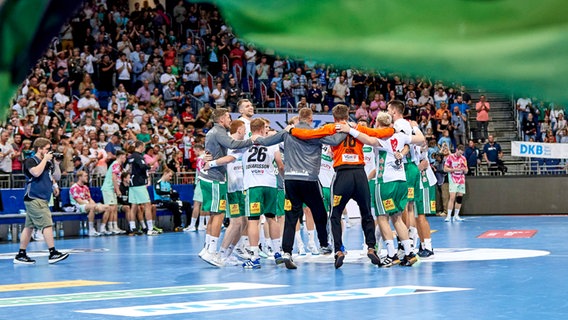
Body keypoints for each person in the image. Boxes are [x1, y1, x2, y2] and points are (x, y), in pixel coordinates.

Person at [287, 104, 394, 269]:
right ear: (348, 115)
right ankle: (371, 247)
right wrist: (395, 130)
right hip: (360, 174)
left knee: (335, 215)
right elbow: (380, 133)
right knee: (366, 213)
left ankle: (338, 250)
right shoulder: (357, 127)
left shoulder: (332, 128)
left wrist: (292, 130)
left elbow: (309, 134)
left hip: (342, 174)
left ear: (334, 117)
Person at [255, 108, 346, 269]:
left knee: (291, 217)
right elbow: (335, 141)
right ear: (311, 119)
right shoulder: (317, 133)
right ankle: (324, 244)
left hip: (290, 180)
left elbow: (266, 142)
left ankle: (287, 252)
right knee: (319, 213)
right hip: (309, 179)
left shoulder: (287, 132)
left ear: (298, 118)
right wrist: (349, 129)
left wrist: (253, 137)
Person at [336, 112, 423, 267]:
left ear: (377, 124)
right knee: (397, 217)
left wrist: (349, 129)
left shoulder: (381, 138)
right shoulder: (401, 136)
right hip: (401, 181)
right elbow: (420, 140)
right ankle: (410, 253)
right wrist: (414, 129)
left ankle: (391, 254)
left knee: (382, 218)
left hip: (385, 183)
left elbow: (367, 139)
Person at [198, 108, 256, 266]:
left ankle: (208, 249)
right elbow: (231, 145)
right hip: (216, 178)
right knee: (219, 215)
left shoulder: (213, 132)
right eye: (228, 117)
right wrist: (252, 141)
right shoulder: (219, 132)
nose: (230, 120)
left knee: (214, 214)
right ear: (222, 119)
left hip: (211, 177)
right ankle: (212, 252)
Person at [14, 138, 69, 265]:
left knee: (29, 227)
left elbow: (56, 177)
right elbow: (36, 173)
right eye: (47, 149)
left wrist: (56, 164)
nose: (49, 151)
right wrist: (45, 159)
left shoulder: (48, 162)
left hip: (42, 198)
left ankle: (21, 254)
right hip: (34, 197)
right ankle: (53, 252)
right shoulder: (30, 161)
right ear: (39, 149)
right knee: (47, 224)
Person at [239, 118, 284, 269]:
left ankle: (254, 257)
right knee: (272, 218)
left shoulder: (245, 143)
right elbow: (280, 164)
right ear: (263, 128)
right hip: (270, 184)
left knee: (253, 220)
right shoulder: (272, 142)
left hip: (254, 186)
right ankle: (278, 253)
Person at [127, 140, 159, 235]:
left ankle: (132, 228)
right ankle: (150, 229)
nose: (144, 148)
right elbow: (142, 167)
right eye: (143, 146)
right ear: (140, 146)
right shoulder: (138, 156)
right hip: (139, 183)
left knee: (134, 205)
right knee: (147, 204)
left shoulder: (131, 156)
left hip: (132, 184)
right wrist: (151, 165)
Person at [70, 171, 112, 235]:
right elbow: (79, 201)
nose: (87, 177)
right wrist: (93, 205)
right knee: (93, 207)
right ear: (80, 177)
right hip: (78, 206)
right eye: (85, 176)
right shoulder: (74, 187)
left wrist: (95, 205)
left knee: (108, 207)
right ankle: (91, 230)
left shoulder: (86, 187)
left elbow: (90, 199)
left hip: (88, 205)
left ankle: (102, 228)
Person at [100, 150, 128, 234]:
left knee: (114, 208)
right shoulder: (116, 164)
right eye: (124, 157)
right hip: (108, 188)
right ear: (121, 157)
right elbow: (114, 178)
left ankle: (114, 227)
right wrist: (118, 189)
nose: (125, 158)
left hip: (112, 189)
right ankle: (106, 227)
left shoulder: (119, 166)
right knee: (110, 208)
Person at [444, 145, 468, 222]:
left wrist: (464, 169)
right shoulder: (450, 157)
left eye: (461, 153)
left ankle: (456, 215)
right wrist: (454, 169)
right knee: (452, 197)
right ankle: (448, 216)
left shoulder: (463, 158)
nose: (460, 155)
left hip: (461, 179)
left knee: (459, 197)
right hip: (453, 179)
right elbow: (445, 169)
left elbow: (466, 170)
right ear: (456, 150)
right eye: (459, 153)